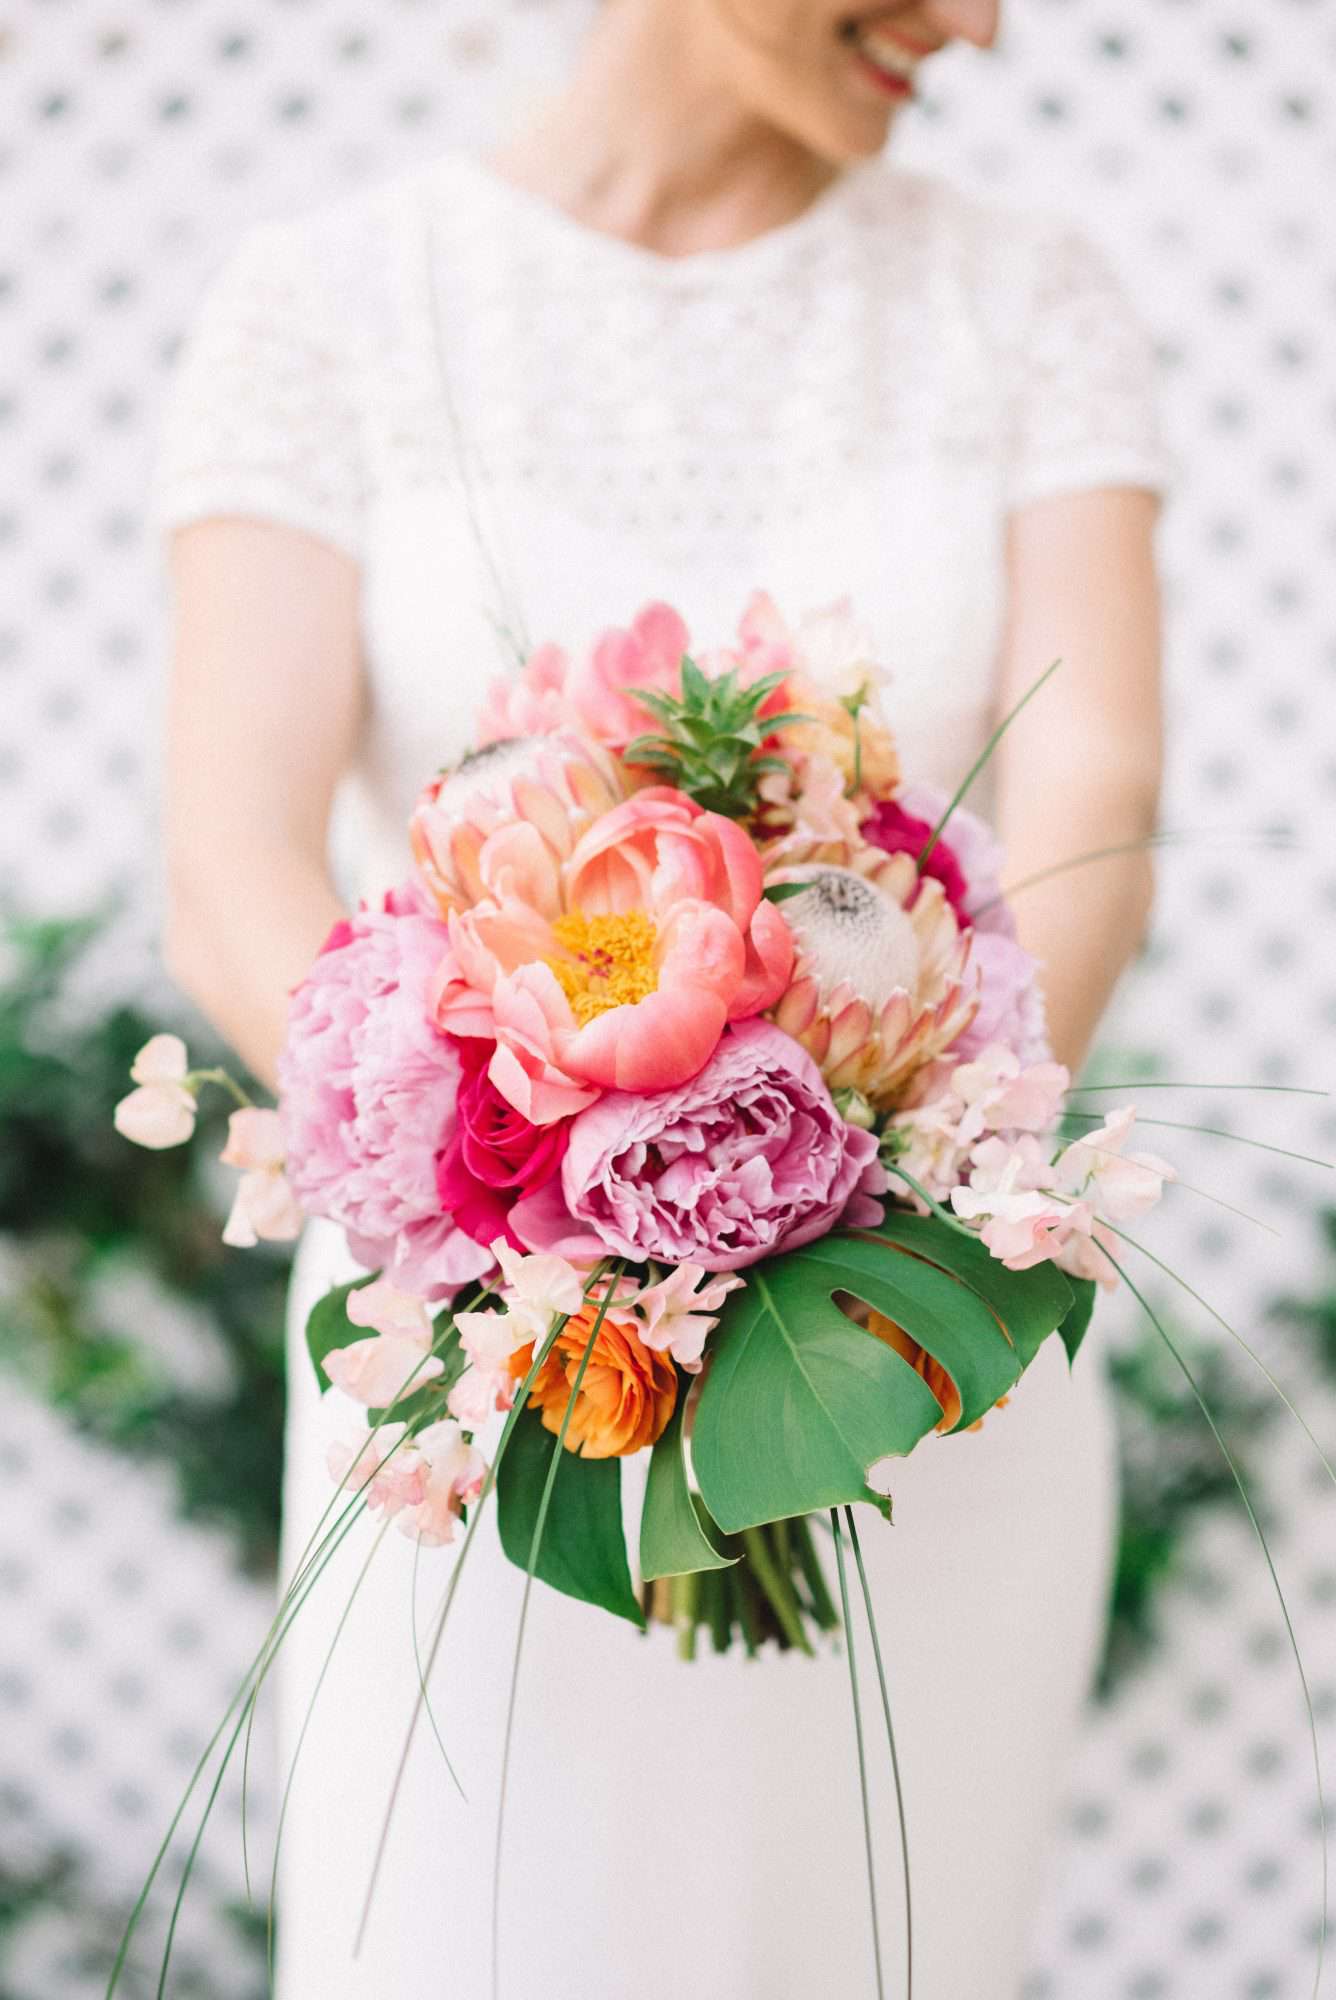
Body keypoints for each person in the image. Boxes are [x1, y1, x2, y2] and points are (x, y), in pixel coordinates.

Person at [148, 2, 1170, 1993]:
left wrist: (857, 1193)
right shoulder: (330, 304)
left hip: (908, 1348)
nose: (978, 23)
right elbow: (230, 868)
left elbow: (1092, 808)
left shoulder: (1025, 298)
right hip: (483, 1376)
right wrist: (540, 1234)